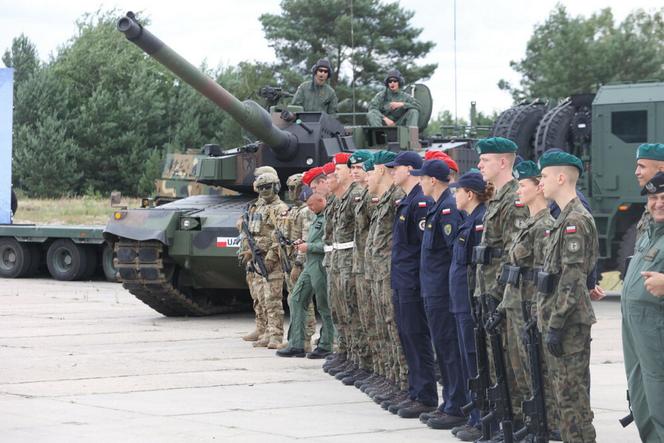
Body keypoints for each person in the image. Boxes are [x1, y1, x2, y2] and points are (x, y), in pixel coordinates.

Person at [537, 150, 598, 442]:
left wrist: (556, 323)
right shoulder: (562, 218)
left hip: (569, 325)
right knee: (563, 400)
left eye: (545, 176)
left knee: (573, 403)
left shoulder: (575, 220)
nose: (541, 183)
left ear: (561, 178)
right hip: (560, 322)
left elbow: (573, 280)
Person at [474, 137, 529, 433]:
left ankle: (517, 422)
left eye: (485, 160)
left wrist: (497, 293)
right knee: (496, 361)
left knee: (509, 361)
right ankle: (503, 421)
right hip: (488, 289)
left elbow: (513, 254)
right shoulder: (497, 196)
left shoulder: (514, 198)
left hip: (502, 293)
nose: (479, 165)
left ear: (504, 162)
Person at [500, 161, 559, 440]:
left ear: (538, 188)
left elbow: (544, 275)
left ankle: (544, 426)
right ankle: (530, 422)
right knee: (521, 371)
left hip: (530, 309)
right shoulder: (527, 223)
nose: (518, 190)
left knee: (538, 372)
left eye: (523, 185)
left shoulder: (546, 226)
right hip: (515, 305)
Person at [410, 159, 467, 429]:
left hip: (443, 293)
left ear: (433, 180)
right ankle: (449, 402)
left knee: (449, 349)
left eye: (422, 178)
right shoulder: (437, 207)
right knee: (443, 350)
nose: (419, 181)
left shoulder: (447, 209)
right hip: (433, 291)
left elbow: (454, 254)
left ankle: (457, 405)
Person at [384, 151, 437, 419]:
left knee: (417, 337)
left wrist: (418, 282)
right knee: (407, 337)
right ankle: (415, 391)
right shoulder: (407, 201)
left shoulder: (420, 203)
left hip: (413, 283)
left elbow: (423, 248)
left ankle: (426, 395)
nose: (392, 172)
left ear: (411, 169)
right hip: (402, 280)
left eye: (397, 168)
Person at [446, 171, 492, 441]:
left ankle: (481, 418)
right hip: (460, 301)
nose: (455, 196)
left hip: (469, 302)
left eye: (458, 191)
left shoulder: (479, 222)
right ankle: (475, 414)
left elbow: (478, 269)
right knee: (467, 359)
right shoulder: (469, 221)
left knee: (475, 361)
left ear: (470, 194)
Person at [362, 151, 410, 407]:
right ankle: (390, 377)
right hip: (377, 273)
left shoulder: (397, 199)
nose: (367, 175)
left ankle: (403, 383)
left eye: (370, 170)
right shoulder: (384, 201)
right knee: (383, 325)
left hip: (390, 273)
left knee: (394, 327)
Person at [621, 171, 664, 442]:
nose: (658, 203)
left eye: (663, 197)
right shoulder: (649, 232)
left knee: (660, 399)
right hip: (636, 332)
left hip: (656, 331)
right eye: (653, 198)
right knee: (641, 400)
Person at [276, 193, 335, 359]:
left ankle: (326, 344)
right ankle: (297, 344)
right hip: (310, 264)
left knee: (324, 306)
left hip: (321, 264)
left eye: (312, 205)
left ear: (322, 201)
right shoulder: (317, 217)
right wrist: (302, 243)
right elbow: (314, 238)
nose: (310, 208)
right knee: (296, 299)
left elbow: (330, 244)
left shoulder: (329, 218)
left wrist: (309, 246)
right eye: (308, 205)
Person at [239, 172, 290, 349]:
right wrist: (247, 250)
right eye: (261, 188)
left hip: (271, 260)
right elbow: (249, 232)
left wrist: (269, 258)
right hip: (255, 258)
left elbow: (280, 236)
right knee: (259, 297)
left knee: (272, 299)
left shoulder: (280, 208)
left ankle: (275, 334)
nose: (264, 191)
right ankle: (264, 329)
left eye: (268, 187)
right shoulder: (257, 207)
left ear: (276, 187)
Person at [348, 150, 380, 387]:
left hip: (375, 268)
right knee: (362, 318)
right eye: (355, 168)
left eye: (362, 168)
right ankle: (367, 366)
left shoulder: (372, 197)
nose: (358, 172)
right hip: (362, 264)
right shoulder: (361, 195)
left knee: (377, 321)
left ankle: (380, 371)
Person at [278, 173, 316, 352]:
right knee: (293, 299)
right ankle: (295, 336)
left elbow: (306, 237)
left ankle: (305, 338)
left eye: (295, 188)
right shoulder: (293, 210)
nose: (292, 192)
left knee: (303, 300)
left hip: (299, 261)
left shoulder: (307, 211)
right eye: (290, 188)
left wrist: (299, 264)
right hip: (289, 259)